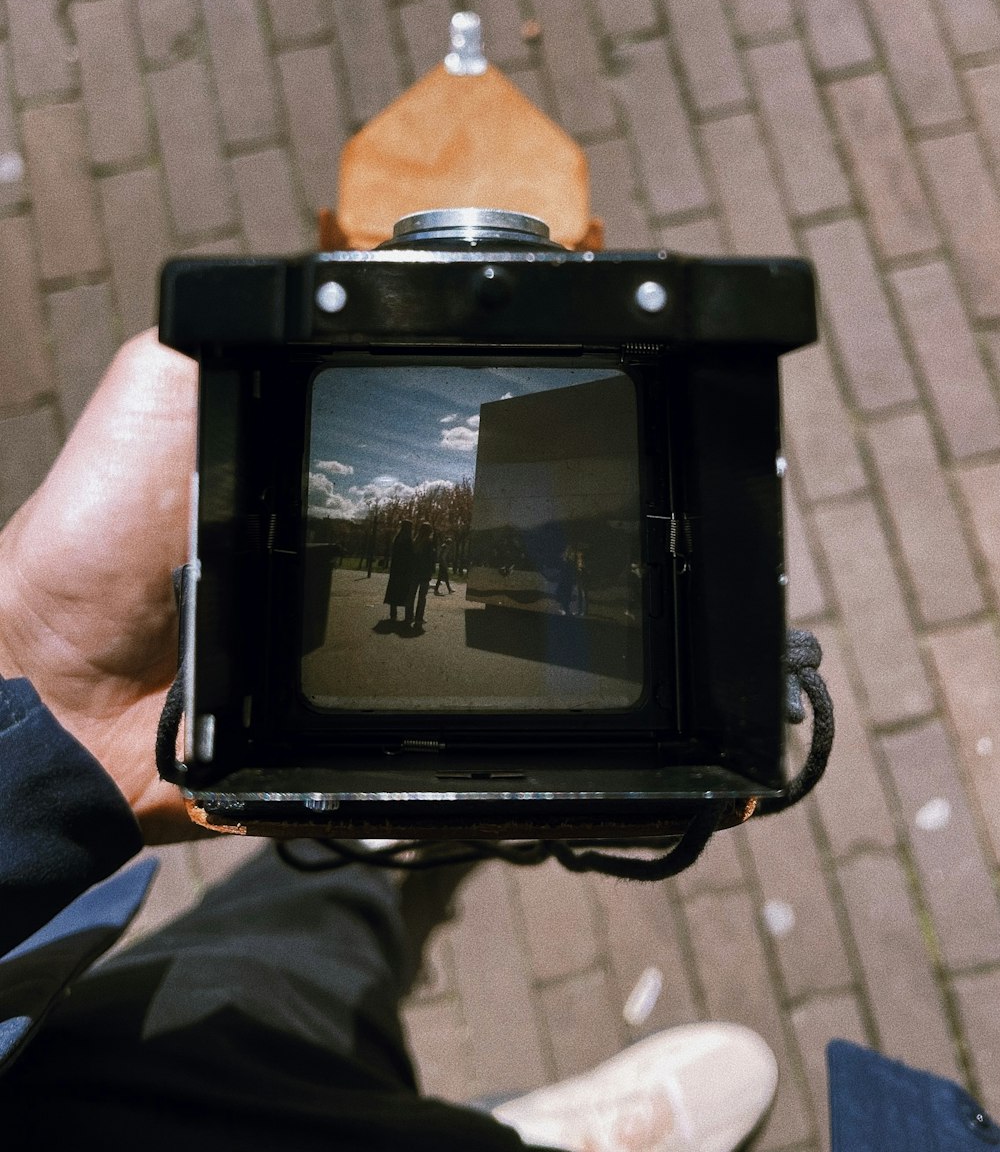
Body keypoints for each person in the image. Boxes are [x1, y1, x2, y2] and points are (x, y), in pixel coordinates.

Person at [1, 332, 995, 1151]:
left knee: (289, 938)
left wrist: (45, 694)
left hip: (76, 1081)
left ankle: (371, 851)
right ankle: (515, 1132)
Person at [408, 521, 437, 627]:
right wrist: (431, 571)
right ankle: (419, 618)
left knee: (411, 595)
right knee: (422, 597)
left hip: (414, 572)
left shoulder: (415, 542)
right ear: (429, 532)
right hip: (424, 573)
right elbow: (430, 560)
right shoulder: (429, 543)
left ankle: (408, 616)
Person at [384, 519, 414, 623]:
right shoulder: (409, 541)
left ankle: (393, 614)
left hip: (396, 569)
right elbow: (410, 557)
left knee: (394, 590)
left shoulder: (397, 539)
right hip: (405, 571)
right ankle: (407, 616)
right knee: (406, 592)